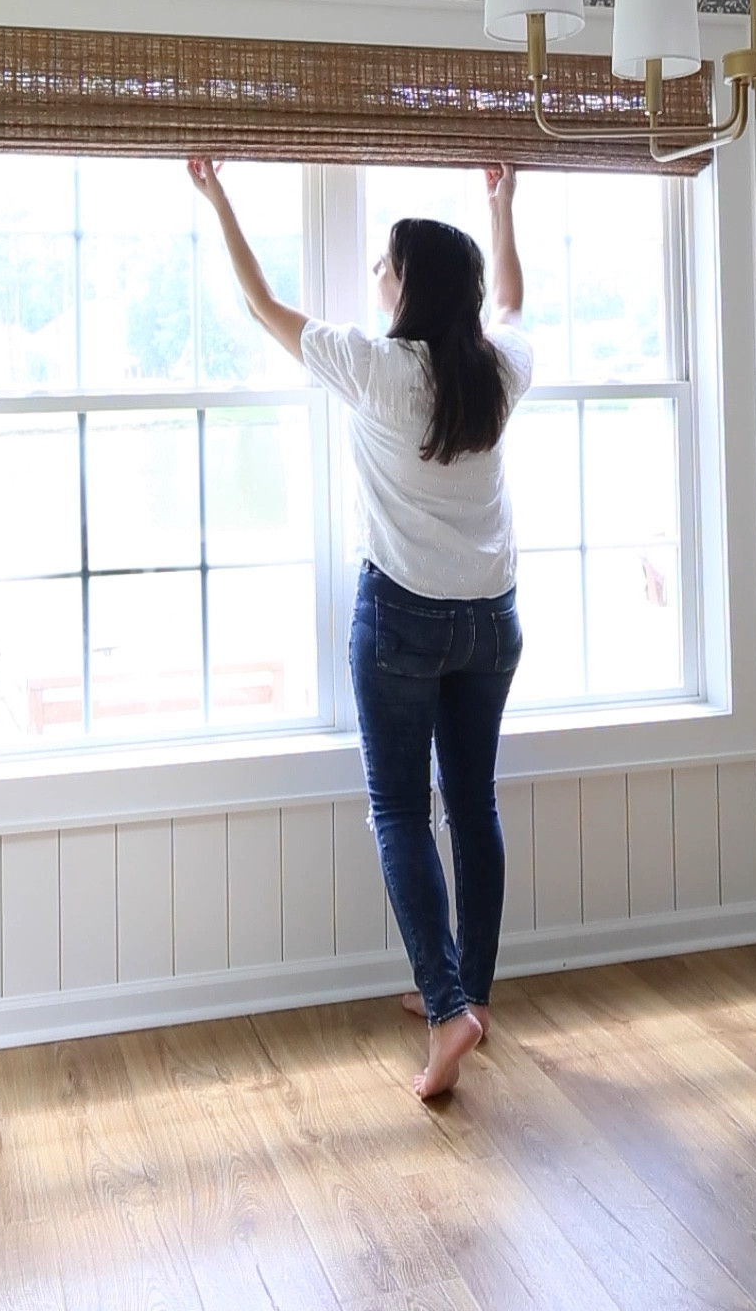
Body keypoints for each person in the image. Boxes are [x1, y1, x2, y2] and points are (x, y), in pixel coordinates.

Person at [186, 157, 532, 1100]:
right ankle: (473, 997)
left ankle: (446, 1003)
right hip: (492, 622)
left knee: (397, 811)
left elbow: (262, 305)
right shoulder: (498, 368)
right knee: (473, 806)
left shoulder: (376, 368)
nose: (375, 273)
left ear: (410, 285)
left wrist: (218, 199)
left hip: (403, 620)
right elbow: (510, 296)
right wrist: (505, 207)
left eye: (385, 263)